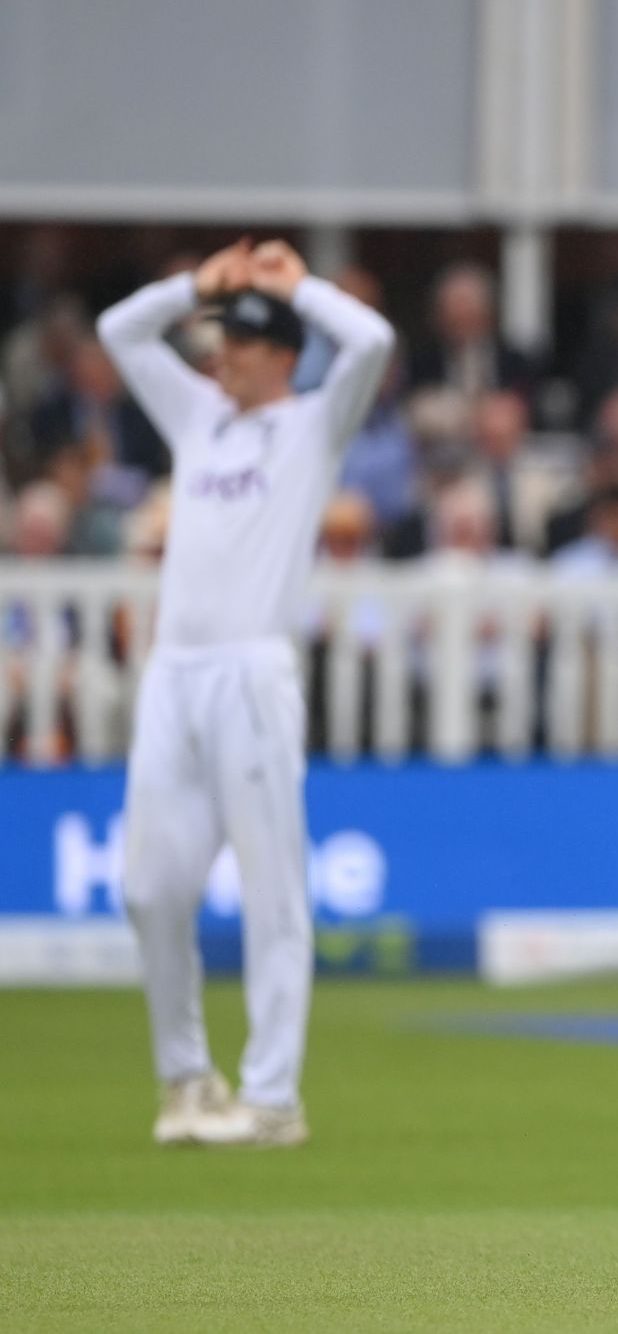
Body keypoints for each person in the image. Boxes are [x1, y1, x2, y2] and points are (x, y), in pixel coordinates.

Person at [97, 239, 395, 1148]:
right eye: (219, 339)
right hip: (174, 674)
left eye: (240, 340)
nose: (219, 355)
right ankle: (187, 1081)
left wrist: (295, 285)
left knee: (272, 891)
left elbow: (372, 340)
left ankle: (271, 1097)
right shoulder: (198, 418)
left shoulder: (311, 423)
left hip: (252, 673)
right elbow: (122, 329)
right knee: (150, 888)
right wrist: (203, 283)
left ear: (280, 352)